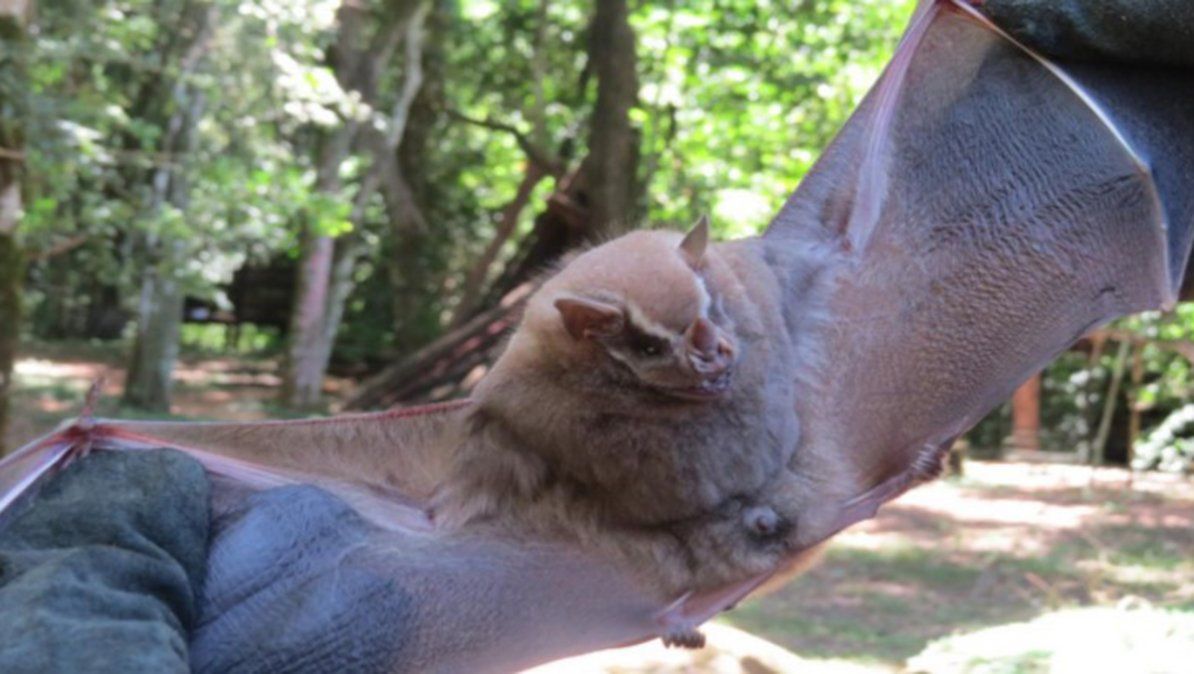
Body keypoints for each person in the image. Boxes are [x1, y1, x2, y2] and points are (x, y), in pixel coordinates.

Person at [2, 2, 1191, 671]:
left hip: (809, 463)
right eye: (673, 349)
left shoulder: (766, 280)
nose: (710, 352)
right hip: (646, 552)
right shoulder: (517, 423)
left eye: (709, 321)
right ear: (595, 341)